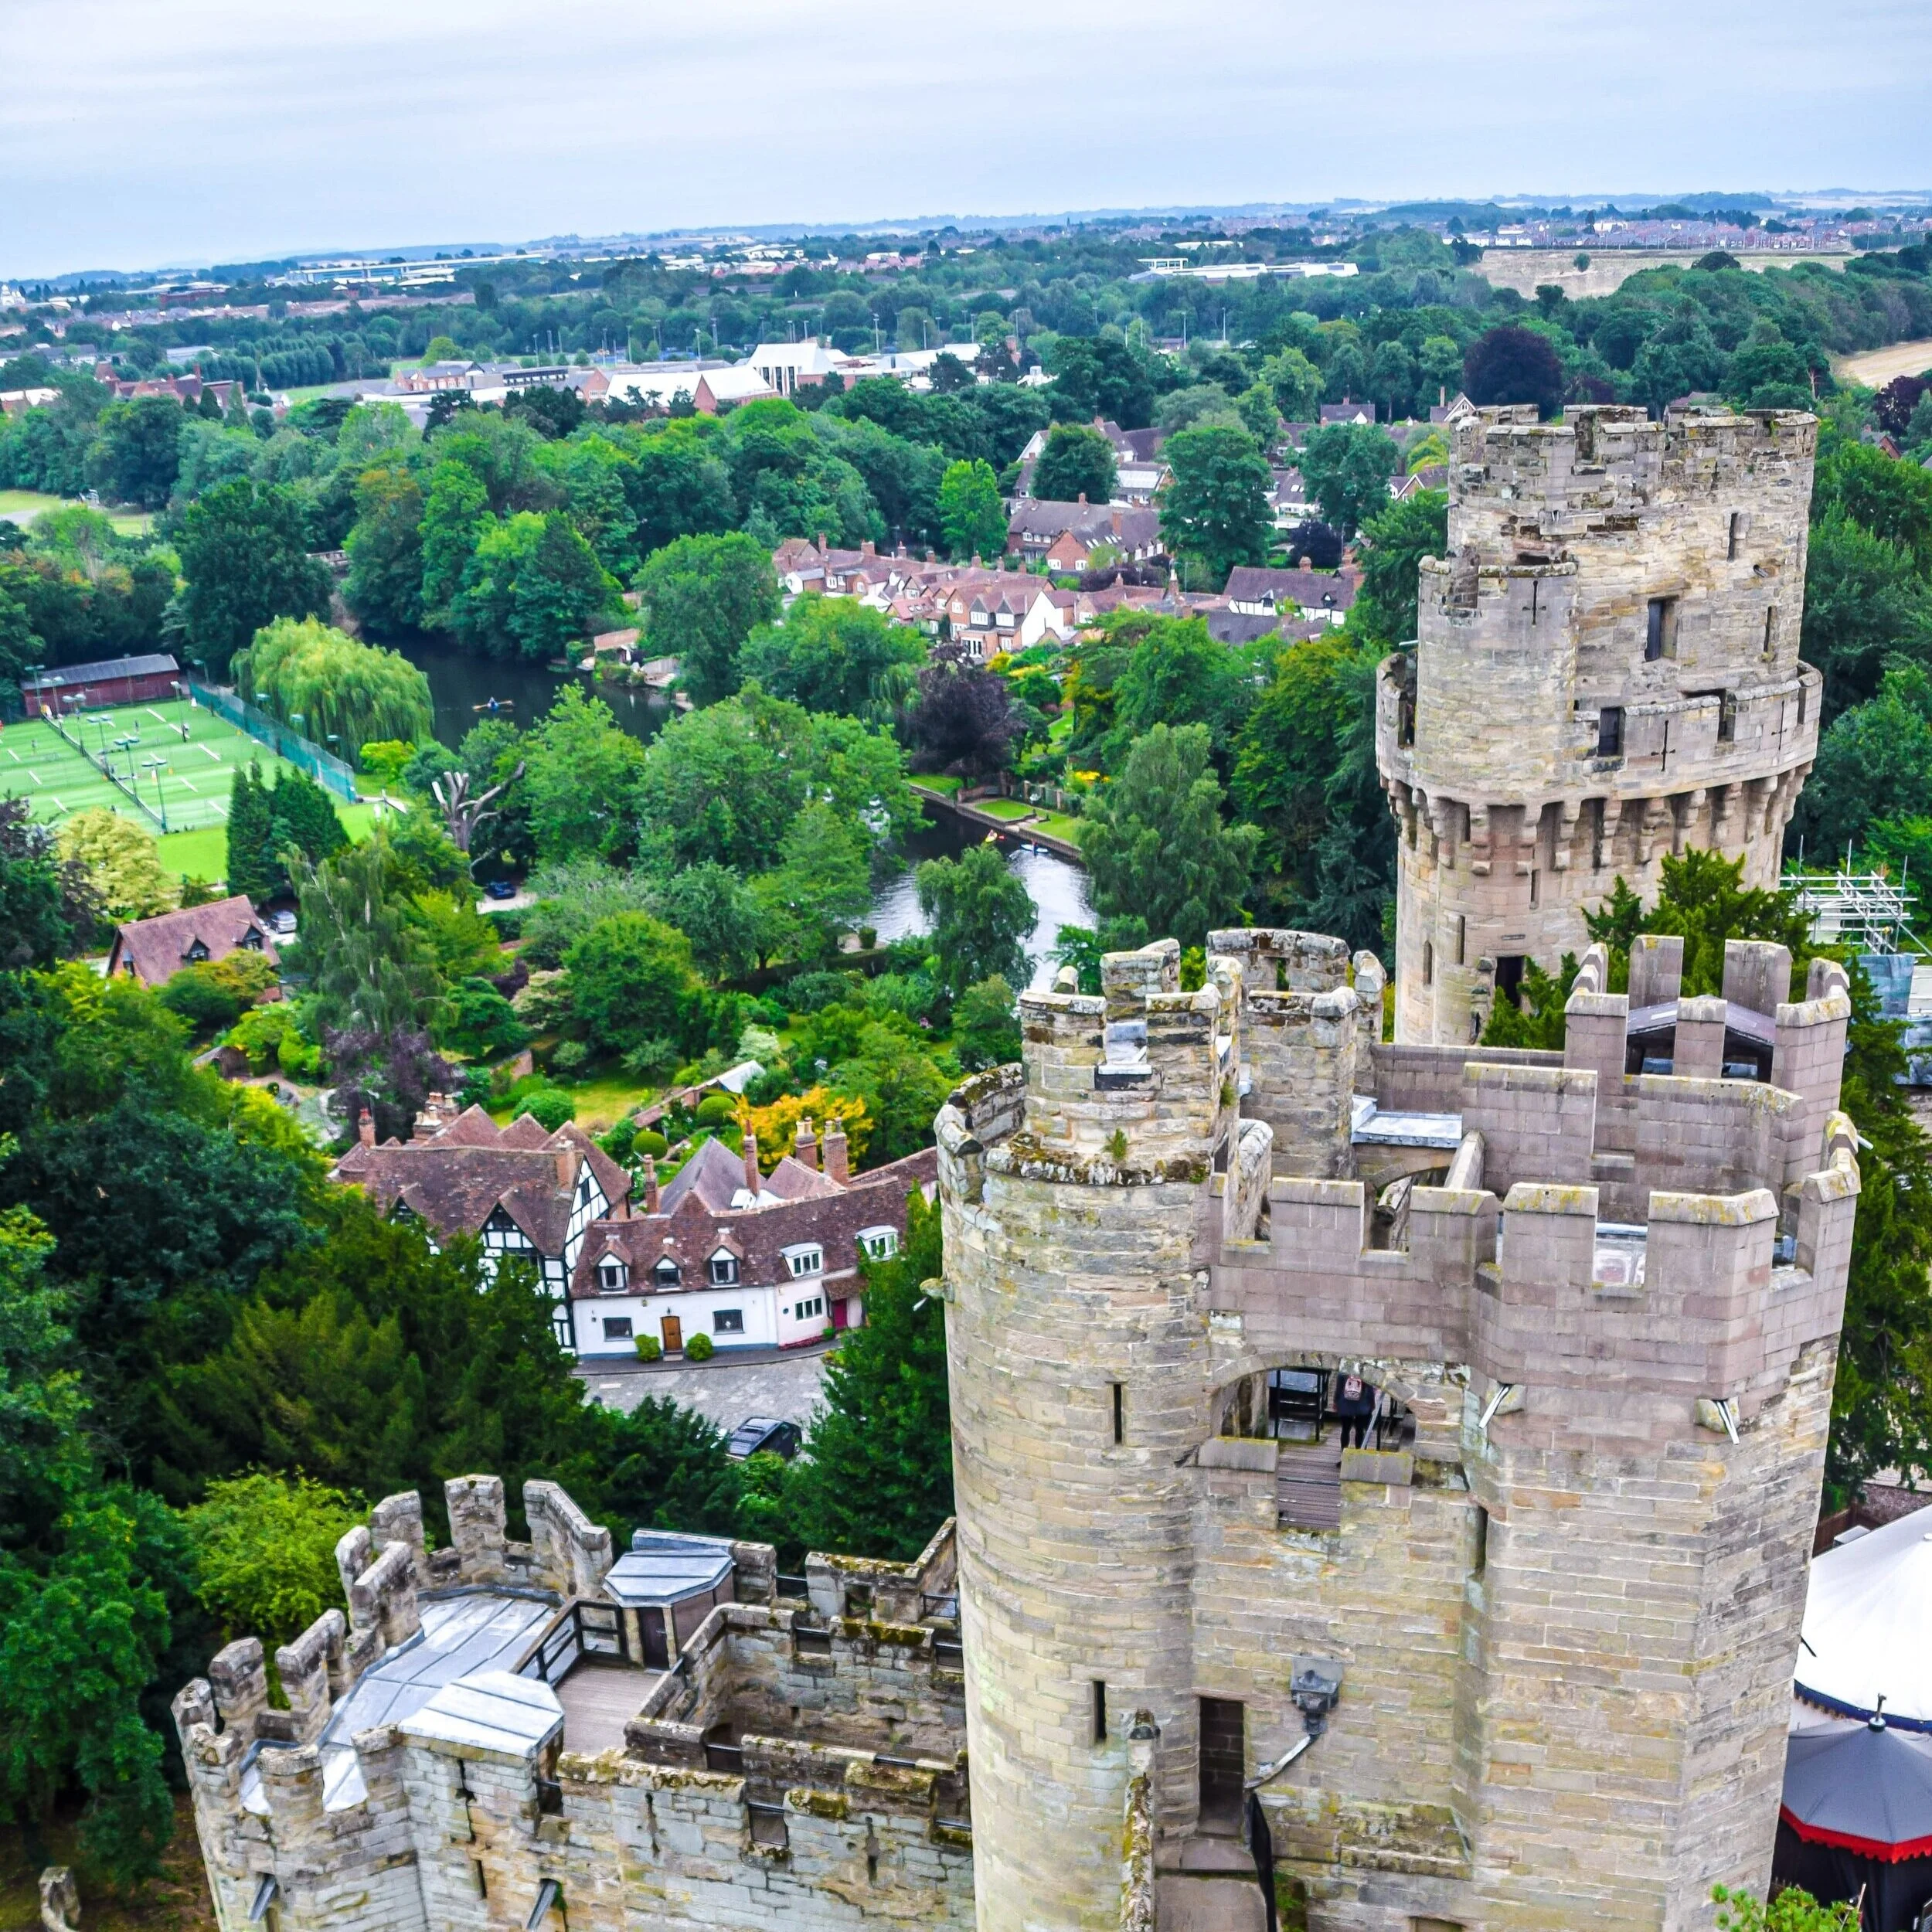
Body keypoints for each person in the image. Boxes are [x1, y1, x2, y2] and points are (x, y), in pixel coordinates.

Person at [1335, 1369, 1375, 1449]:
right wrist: (1372, 1403)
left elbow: (1338, 1389)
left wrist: (1336, 1402)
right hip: (1362, 1405)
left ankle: (1344, 1451)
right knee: (1360, 1430)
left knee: (1345, 1430)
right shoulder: (1366, 1372)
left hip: (1345, 1405)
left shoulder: (1343, 1372)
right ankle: (1359, 1451)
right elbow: (1370, 1390)